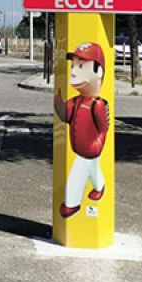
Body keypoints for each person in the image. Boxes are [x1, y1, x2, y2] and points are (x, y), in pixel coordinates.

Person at [54, 42, 109, 219]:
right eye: (74, 65)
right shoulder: (77, 101)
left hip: (90, 148)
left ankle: (72, 204)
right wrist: (57, 98)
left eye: (81, 66)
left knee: (77, 174)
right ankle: (100, 186)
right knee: (94, 169)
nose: (74, 71)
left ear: (98, 71)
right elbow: (64, 114)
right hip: (83, 148)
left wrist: (98, 142)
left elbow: (103, 127)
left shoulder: (97, 104)